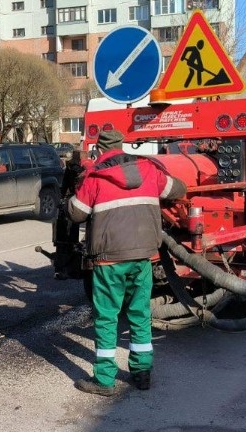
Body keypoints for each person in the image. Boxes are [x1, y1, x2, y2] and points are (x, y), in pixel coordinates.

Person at [66, 129, 187, 396]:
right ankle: (142, 374)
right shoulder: (148, 170)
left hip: (109, 260)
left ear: (99, 150)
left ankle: (105, 380)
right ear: (122, 146)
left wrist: (77, 185)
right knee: (140, 314)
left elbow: (75, 213)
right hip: (143, 256)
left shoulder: (95, 177)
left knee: (107, 317)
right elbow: (178, 188)